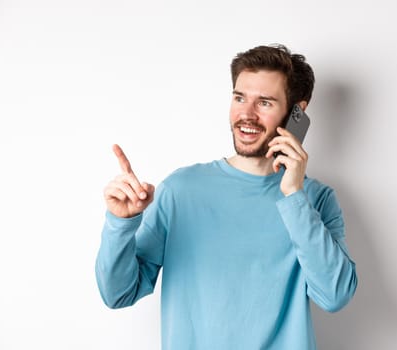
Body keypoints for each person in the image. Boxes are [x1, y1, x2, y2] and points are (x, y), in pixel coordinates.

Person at [95, 44, 357, 350]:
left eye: (265, 103)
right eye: (239, 97)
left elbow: (335, 295)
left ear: (296, 113)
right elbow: (118, 294)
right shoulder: (181, 190)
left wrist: (294, 195)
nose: (246, 114)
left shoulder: (315, 199)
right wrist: (120, 224)